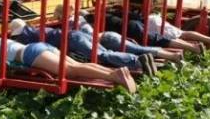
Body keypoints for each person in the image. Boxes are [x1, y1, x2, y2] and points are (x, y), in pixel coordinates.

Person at [0, 28, 137, 93]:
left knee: (69, 72)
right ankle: (115, 72)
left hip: (30, 54)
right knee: (77, 65)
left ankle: (114, 76)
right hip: (39, 47)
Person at [9, 18, 159, 76]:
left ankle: (137, 61)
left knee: (102, 55)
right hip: (76, 35)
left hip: (72, 39)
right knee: (105, 53)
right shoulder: (34, 29)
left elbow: (21, 51)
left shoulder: (23, 36)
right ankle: (140, 60)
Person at [53, 5, 185, 65]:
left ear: (60, 16)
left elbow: (87, 37)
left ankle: (139, 62)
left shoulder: (71, 25)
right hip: (109, 35)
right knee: (138, 49)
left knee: (112, 56)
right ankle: (172, 55)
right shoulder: (81, 19)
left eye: (58, 18)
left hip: (105, 40)